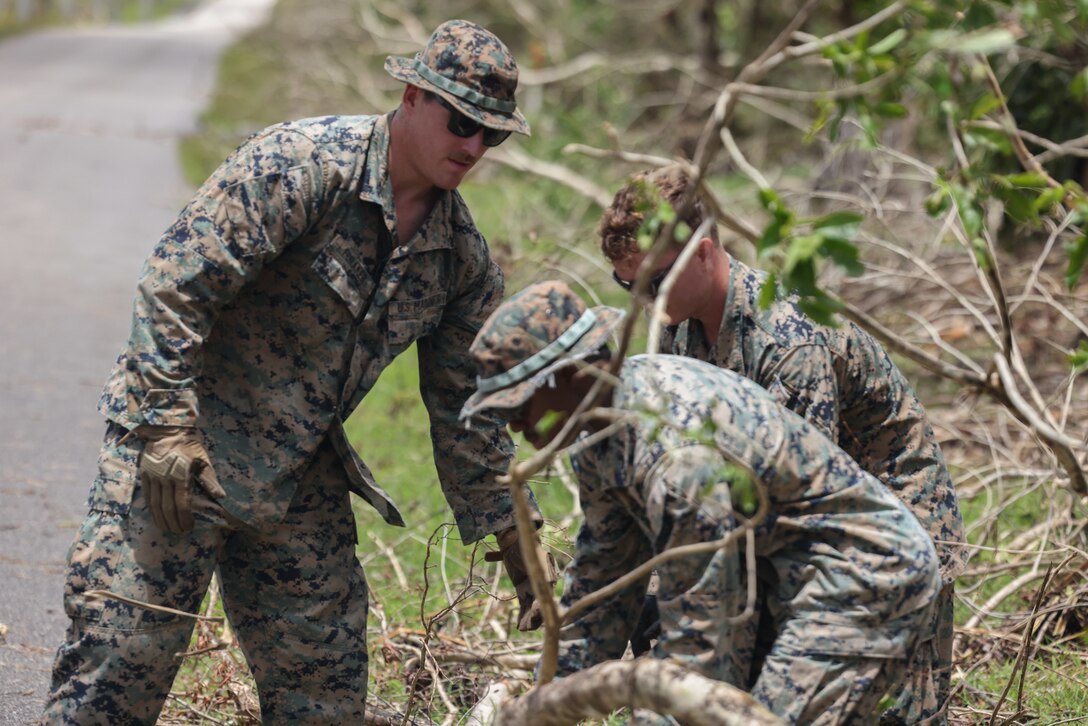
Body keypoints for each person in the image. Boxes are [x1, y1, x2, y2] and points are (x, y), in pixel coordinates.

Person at [42, 19, 553, 724]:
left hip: (295, 469)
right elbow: (175, 284)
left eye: (490, 134)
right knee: (116, 670)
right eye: (461, 120)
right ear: (411, 96)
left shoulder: (460, 260)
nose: (472, 146)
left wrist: (510, 529)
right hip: (184, 449)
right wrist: (162, 423)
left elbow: (468, 408)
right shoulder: (302, 166)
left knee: (325, 689)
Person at [459, 280, 942, 725]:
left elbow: (706, 641)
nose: (517, 429)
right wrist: (552, 697)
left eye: (519, 408)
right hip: (783, 579)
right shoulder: (603, 425)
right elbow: (604, 576)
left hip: (859, 579)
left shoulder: (677, 460)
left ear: (571, 373)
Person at [599, 165, 967, 723]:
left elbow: (803, 511)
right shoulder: (676, 331)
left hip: (888, 536)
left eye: (655, 281)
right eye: (630, 287)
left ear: (702, 254)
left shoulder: (787, 340)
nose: (644, 300)